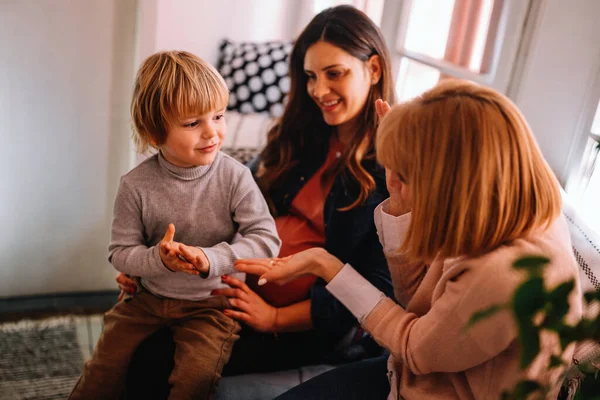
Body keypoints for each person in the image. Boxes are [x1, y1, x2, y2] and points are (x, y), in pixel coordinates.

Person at [237, 80, 584, 399]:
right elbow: (414, 304)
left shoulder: (504, 272)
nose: (395, 182)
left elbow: (415, 348)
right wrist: (400, 202)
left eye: (404, 174)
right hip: (405, 370)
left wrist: (325, 266)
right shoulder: (492, 209)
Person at [118, 4, 396, 397]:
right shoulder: (303, 136)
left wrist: (275, 318)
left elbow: (374, 288)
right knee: (134, 352)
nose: (318, 90)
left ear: (374, 70)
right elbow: (225, 198)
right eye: (310, 76)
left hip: (298, 325)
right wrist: (150, 261)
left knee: (156, 361)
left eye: (335, 74)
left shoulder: (390, 167)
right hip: (225, 287)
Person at [69, 50, 280, 400]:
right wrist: (158, 260)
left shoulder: (235, 177)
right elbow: (120, 253)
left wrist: (210, 258)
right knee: (101, 374)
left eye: (218, 116)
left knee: (194, 380)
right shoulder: (135, 185)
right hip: (146, 298)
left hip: (211, 304)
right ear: (154, 133)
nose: (212, 132)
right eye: (193, 123)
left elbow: (266, 240)